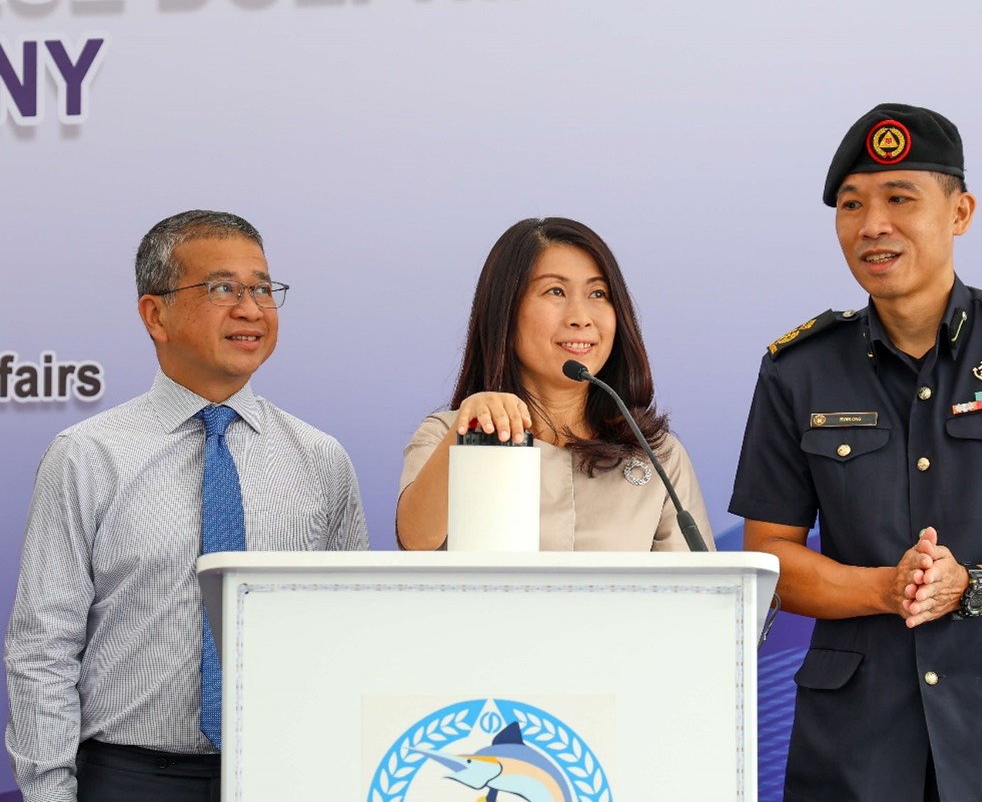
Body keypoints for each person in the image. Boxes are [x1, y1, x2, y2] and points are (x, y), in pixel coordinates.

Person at [729, 104, 982, 801]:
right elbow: (768, 559)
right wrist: (882, 588)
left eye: (899, 199)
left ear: (959, 212)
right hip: (859, 748)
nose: (872, 225)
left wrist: (972, 583)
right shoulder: (797, 369)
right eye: (852, 204)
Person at [4, 210, 369, 802]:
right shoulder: (88, 455)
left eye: (262, 288)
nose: (251, 309)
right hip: (130, 777)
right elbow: (43, 646)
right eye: (223, 288)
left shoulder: (320, 458)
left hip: (286, 773)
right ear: (155, 314)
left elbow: (349, 634)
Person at [396, 217, 715, 552]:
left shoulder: (656, 454)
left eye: (598, 293)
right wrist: (468, 431)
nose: (581, 316)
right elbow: (417, 540)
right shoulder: (446, 434)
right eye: (555, 291)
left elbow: (701, 596)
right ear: (505, 311)